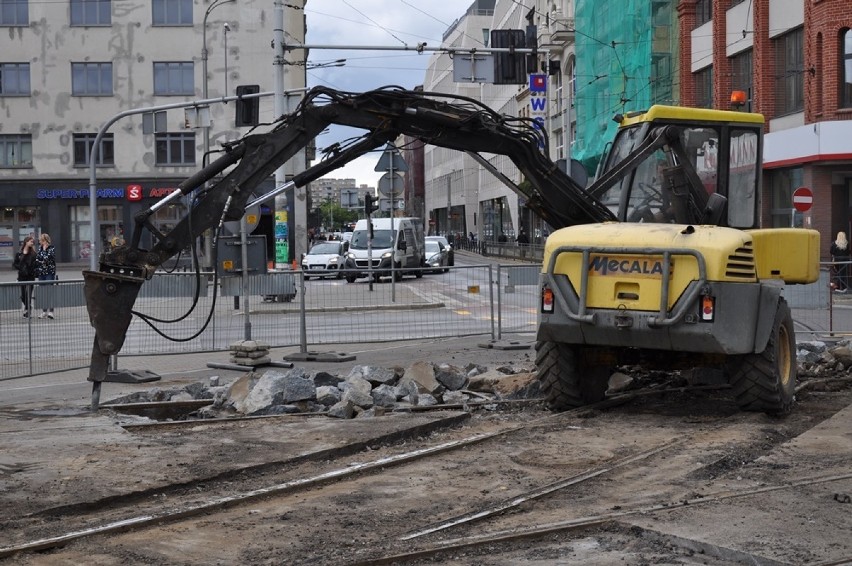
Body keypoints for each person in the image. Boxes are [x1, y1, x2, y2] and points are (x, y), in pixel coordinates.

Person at [13, 236, 37, 318]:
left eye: (32, 241)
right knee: (23, 295)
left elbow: (35, 265)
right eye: (31, 241)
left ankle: (28, 312)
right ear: (26, 242)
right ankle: (29, 307)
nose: (32, 243)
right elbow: (14, 264)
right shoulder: (19, 253)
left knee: (28, 294)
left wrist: (32, 271)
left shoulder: (33, 254)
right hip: (22, 276)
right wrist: (20, 267)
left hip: (30, 277)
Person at [34, 232, 57, 319]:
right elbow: (38, 259)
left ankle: (51, 312)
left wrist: (44, 252)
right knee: (43, 292)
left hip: (49, 273)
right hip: (41, 273)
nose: (40, 242)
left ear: (45, 240)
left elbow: (48, 259)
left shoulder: (52, 248)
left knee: (49, 291)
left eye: (41, 240)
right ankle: (44, 311)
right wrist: (43, 257)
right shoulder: (39, 249)